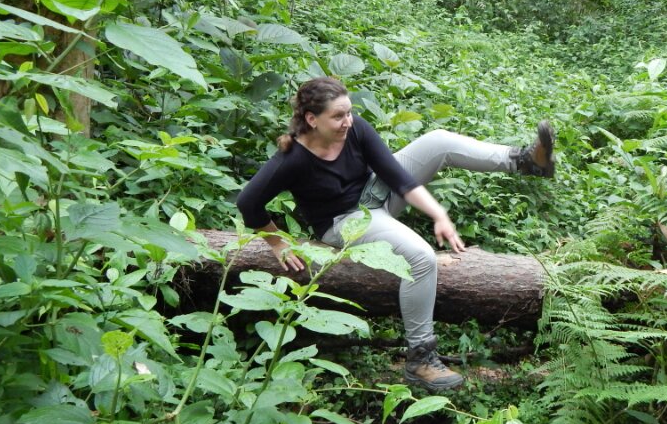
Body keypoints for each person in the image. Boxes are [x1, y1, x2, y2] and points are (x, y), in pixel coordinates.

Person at [236, 76, 555, 391]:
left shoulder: (355, 129)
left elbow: (398, 177)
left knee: (439, 141)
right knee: (421, 257)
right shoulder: (292, 159)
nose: (348, 121)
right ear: (311, 119)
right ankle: (420, 358)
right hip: (345, 223)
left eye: (348, 112)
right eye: (338, 116)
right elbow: (249, 203)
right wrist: (276, 241)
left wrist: (438, 213)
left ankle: (527, 161)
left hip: (376, 193)